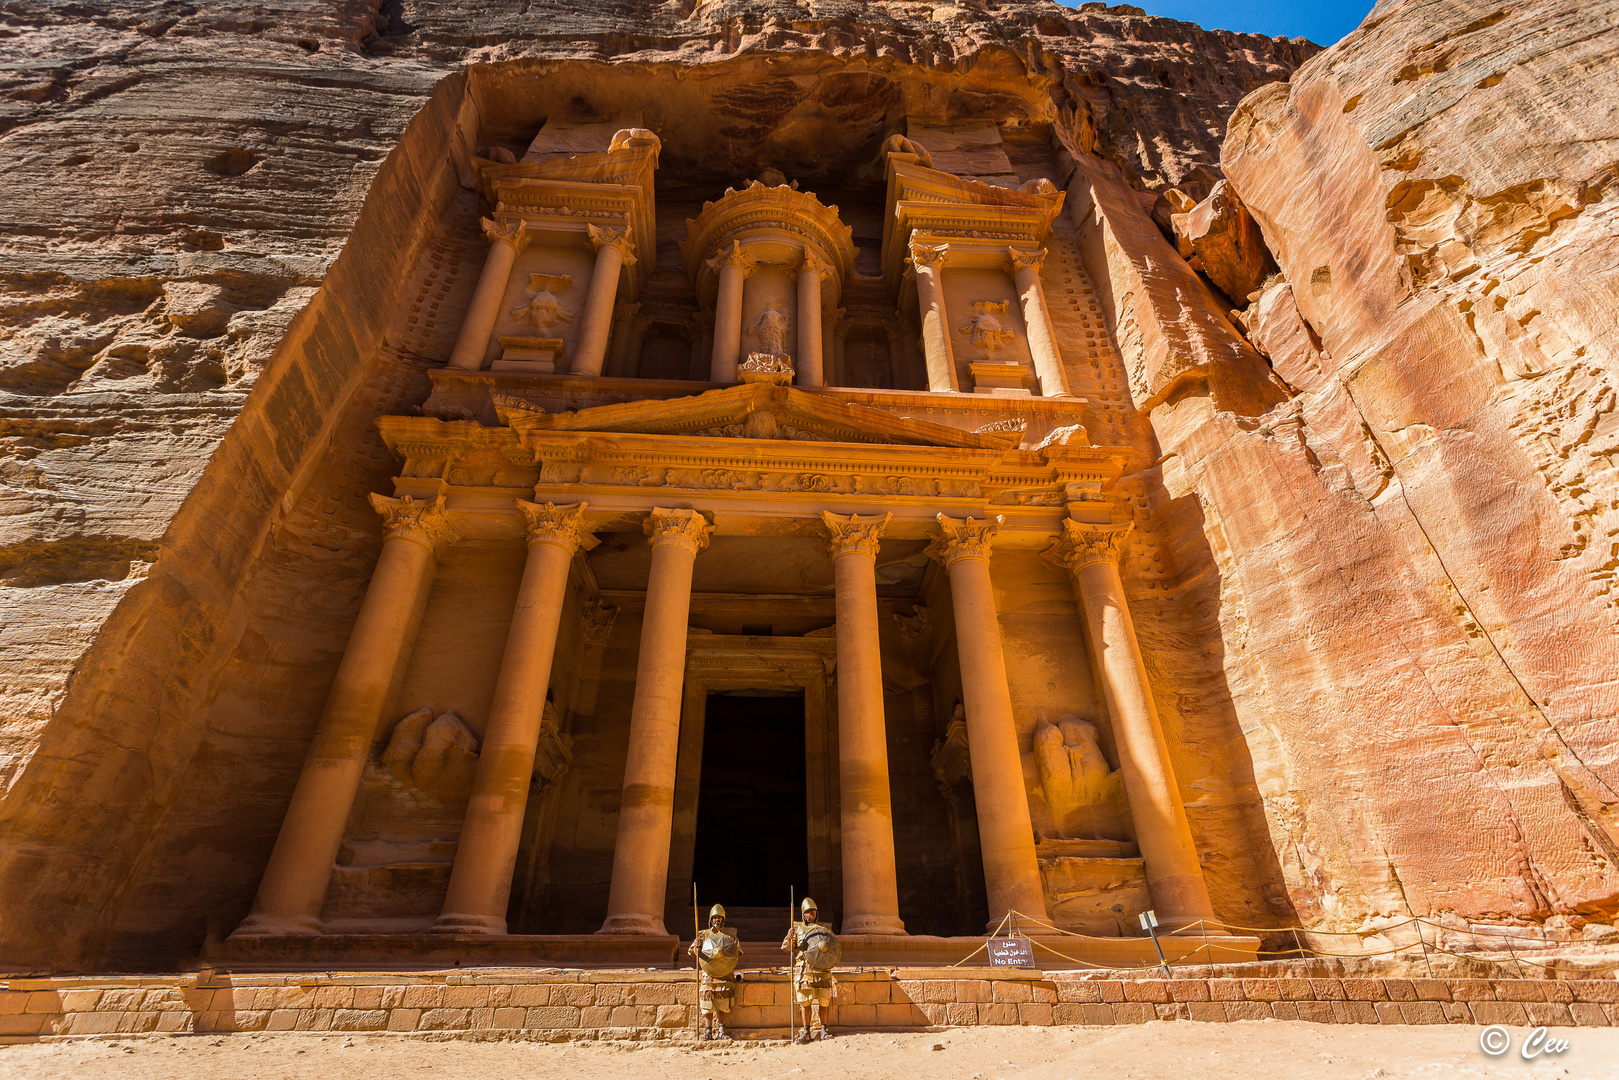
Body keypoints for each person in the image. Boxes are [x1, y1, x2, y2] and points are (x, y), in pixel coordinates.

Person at [780, 897, 834, 1042]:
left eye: (814, 911)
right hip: (804, 969)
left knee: (824, 1001)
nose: (812, 914)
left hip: (822, 968)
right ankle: (806, 1031)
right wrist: (790, 937)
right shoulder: (796, 929)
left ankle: (824, 1030)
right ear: (803, 913)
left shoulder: (823, 930)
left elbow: (831, 949)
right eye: (809, 911)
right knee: (805, 1001)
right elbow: (789, 949)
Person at [689, 904, 741, 1040]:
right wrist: (696, 947)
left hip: (724, 971)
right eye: (715, 917)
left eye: (719, 917)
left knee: (722, 1001)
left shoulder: (730, 935)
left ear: (723, 919)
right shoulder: (703, 934)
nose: (717, 919)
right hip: (709, 972)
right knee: (707, 1000)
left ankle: (721, 1030)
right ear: (711, 918)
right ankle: (708, 1031)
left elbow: (737, 952)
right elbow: (695, 953)